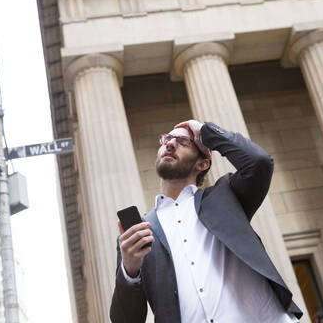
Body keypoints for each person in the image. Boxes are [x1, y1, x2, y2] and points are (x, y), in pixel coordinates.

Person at [110, 120, 303, 323]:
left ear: (203, 164)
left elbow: (260, 163)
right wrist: (130, 271)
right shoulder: (139, 233)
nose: (170, 144)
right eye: (167, 139)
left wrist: (206, 132)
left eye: (183, 141)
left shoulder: (227, 195)